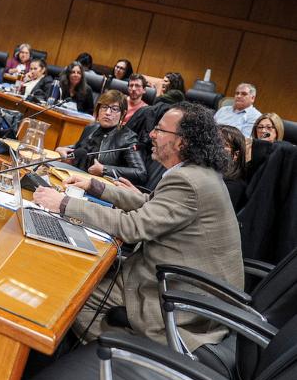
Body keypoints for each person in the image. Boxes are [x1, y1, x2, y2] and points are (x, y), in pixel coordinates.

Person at [34, 102, 244, 348]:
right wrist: (96, 187)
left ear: (182, 142)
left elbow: (132, 227)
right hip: (182, 282)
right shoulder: (198, 173)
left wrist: (64, 203)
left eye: (160, 130)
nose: (152, 134)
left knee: (73, 297)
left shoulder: (188, 180)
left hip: (179, 296)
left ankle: (121, 354)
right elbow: (150, 203)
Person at [56, 90, 147, 183]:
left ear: (123, 114)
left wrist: (104, 169)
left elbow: (140, 173)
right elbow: (77, 149)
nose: (107, 112)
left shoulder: (127, 138)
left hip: (99, 186)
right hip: (74, 176)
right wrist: (62, 149)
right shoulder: (91, 128)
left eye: (114, 109)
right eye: (104, 107)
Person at [219, 125, 249, 210]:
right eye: (216, 142)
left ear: (236, 155)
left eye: (224, 144)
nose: (217, 147)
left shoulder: (234, 186)